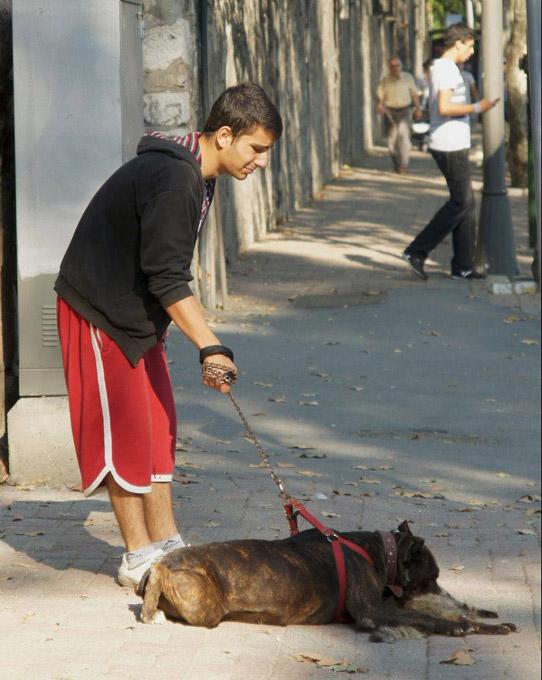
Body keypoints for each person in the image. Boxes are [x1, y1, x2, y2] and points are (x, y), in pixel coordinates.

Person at [54, 83, 283, 588]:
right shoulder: (174, 177)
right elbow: (166, 277)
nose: (261, 162)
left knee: (159, 429)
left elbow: (165, 270)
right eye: (257, 149)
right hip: (98, 311)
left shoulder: (198, 174)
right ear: (225, 135)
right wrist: (210, 345)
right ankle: (137, 556)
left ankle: (167, 543)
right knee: (127, 436)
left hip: (136, 318)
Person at [402, 24, 498, 280]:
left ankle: (462, 266)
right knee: (462, 202)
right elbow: (444, 107)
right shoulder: (446, 69)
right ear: (458, 44)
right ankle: (416, 251)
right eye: (469, 46)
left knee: (466, 203)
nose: (471, 51)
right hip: (448, 144)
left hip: (453, 142)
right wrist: (479, 106)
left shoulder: (444, 68)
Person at [376, 57, 422, 174]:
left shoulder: (407, 77)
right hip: (390, 111)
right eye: (392, 66)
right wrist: (380, 105)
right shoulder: (385, 79)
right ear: (389, 67)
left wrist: (418, 109)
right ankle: (396, 164)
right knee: (392, 139)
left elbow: (414, 94)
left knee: (404, 136)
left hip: (405, 110)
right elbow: (381, 95)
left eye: (397, 65)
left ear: (401, 66)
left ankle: (403, 165)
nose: (395, 68)